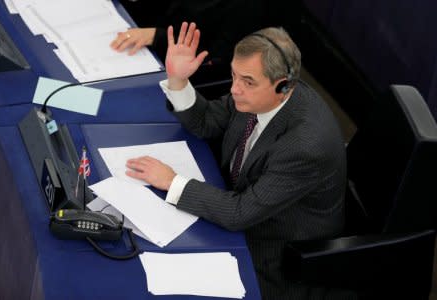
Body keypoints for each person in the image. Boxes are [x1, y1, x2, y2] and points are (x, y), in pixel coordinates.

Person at [126, 22, 347, 299]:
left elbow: (239, 214)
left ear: (284, 86)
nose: (235, 89)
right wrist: (179, 81)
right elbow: (206, 122)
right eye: (234, 75)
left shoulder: (305, 146)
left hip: (272, 253)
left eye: (248, 82)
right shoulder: (257, 97)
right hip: (237, 207)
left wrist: (172, 181)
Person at [112, 0, 263, 85]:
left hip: (183, 69)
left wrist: (158, 35)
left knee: (101, 103)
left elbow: (216, 45)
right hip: (138, 45)